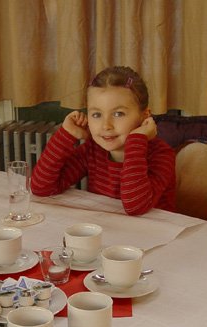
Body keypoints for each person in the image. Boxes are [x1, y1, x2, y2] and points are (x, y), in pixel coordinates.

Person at [30, 66, 176, 216]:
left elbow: (136, 207)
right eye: (97, 115)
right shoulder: (93, 150)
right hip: (106, 226)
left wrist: (136, 141)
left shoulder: (162, 155)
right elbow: (41, 188)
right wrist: (65, 135)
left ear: (145, 116)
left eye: (118, 114)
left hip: (154, 229)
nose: (106, 126)